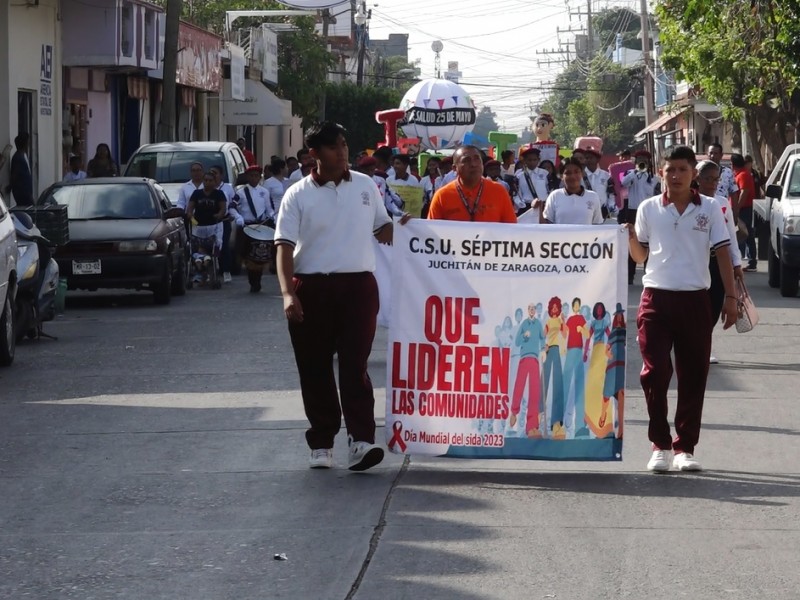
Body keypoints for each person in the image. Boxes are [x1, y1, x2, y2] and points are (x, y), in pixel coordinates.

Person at [274, 121, 406, 471]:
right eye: (334, 147)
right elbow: (284, 247)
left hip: (359, 288)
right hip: (311, 287)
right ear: (314, 154)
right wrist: (288, 293)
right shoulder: (297, 194)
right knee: (314, 368)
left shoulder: (366, 186)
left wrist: (409, 228)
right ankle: (322, 441)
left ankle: (362, 441)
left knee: (355, 366)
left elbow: (383, 228)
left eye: (345, 144)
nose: (343, 152)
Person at [627, 145, 738, 473]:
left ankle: (684, 447)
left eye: (682, 170)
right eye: (669, 169)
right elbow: (640, 256)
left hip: (695, 299)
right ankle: (660, 444)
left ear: (693, 175)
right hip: (656, 299)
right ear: (661, 173)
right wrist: (630, 237)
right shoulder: (648, 208)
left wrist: (731, 299)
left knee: (693, 374)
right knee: (656, 371)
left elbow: (722, 253)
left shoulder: (710, 209)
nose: (675, 175)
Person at [695, 160, 744, 364]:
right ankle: (694, 347)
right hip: (696, 262)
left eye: (716, 179)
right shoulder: (689, 202)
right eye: (707, 179)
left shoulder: (723, 203)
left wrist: (737, 263)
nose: (712, 184)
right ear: (697, 179)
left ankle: (704, 347)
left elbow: (731, 235)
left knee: (714, 307)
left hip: (717, 263)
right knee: (696, 308)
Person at [427, 145, 517, 223]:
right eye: (466, 160)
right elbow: (430, 234)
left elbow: (511, 230)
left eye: (477, 159)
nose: (473, 164)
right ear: (454, 168)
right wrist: (413, 226)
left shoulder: (499, 191)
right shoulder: (442, 196)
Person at [232, 165, 275, 292]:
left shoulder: (265, 192)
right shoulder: (240, 192)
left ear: (260, 177)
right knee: (248, 256)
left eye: (256, 175)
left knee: (261, 255)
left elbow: (269, 208)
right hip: (247, 227)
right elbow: (231, 207)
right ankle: (253, 281)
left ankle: (258, 280)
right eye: (251, 175)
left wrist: (272, 215)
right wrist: (238, 217)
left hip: (261, 225)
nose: (254, 178)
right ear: (247, 177)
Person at [621, 150, 660, 284]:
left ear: (649, 163)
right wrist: (635, 172)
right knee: (631, 242)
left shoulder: (654, 179)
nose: (642, 162)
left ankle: (648, 274)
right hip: (632, 212)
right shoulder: (630, 175)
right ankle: (629, 276)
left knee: (648, 243)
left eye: (645, 160)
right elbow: (623, 183)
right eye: (639, 160)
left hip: (649, 213)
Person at [186, 171, 228, 283]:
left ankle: (212, 271)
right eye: (205, 180)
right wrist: (191, 217)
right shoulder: (197, 193)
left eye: (210, 180)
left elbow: (223, 209)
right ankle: (200, 270)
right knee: (197, 249)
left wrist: (219, 215)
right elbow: (190, 208)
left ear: (215, 182)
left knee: (215, 249)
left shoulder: (219, 194)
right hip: (198, 226)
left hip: (214, 226)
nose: (207, 183)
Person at [542, 157, 604, 225]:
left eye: (576, 172)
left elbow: (597, 225)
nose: (573, 176)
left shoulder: (593, 196)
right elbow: (547, 224)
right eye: (568, 173)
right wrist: (538, 208)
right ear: (561, 176)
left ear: (582, 173)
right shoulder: (555, 195)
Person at [209, 165, 238, 283]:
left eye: (215, 173)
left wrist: (234, 214)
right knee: (209, 247)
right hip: (208, 222)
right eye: (211, 172)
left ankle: (226, 270)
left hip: (224, 220)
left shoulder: (227, 188)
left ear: (221, 175)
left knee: (224, 245)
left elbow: (233, 203)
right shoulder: (206, 187)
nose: (213, 175)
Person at [731, 153, 758, 272]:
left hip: (744, 209)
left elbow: (744, 192)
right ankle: (745, 261)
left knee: (744, 235)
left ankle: (749, 262)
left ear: (733, 164)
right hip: (742, 209)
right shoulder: (740, 174)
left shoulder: (743, 175)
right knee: (744, 235)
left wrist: (737, 208)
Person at [514, 146, 548, 218]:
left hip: (543, 206)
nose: (532, 162)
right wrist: (521, 204)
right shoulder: (520, 176)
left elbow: (548, 189)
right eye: (529, 160)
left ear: (538, 160)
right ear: (525, 161)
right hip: (527, 207)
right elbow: (517, 193)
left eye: (534, 160)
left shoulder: (545, 173)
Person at [708, 143, 740, 214]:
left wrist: (735, 214)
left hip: (723, 212)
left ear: (721, 155)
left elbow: (734, 193)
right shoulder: (701, 172)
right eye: (710, 153)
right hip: (705, 212)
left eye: (716, 153)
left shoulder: (728, 172)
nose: (712, 156)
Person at [584, 147, 616, 217]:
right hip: (585, 210)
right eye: (586, 158)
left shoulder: (606, 175)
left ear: (597, 160)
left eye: (591, 158)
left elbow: (611, 193)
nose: (588, 160)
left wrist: (611, 206)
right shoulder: (580, 175)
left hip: (602, 210)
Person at [9, 132, 34, 206]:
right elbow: (15, 175)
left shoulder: (24, 155)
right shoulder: (18, 157)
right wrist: (10, 186)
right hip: (23, 194)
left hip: (27, 192)